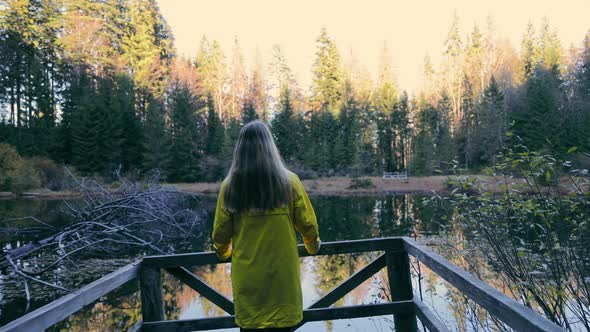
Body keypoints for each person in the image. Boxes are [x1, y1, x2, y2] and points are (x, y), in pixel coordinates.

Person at [212, 120, 321, 332]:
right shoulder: (290, 182)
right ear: (271, 147)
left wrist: (223, 253)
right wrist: (313, 247)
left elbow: (220, 233)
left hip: (249, 278)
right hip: (282, 279)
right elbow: (308, 225)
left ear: (240, 149)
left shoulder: (230, 186)